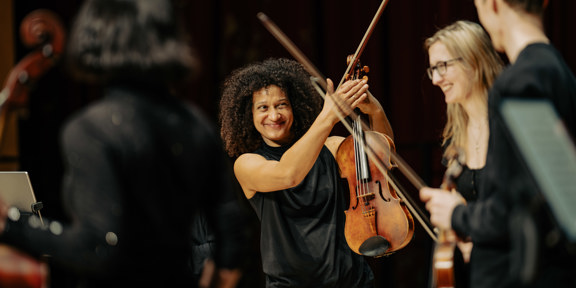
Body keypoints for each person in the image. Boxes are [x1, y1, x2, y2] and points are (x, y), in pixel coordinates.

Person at [0, 0, 246, 287]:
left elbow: (99, 248)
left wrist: (13, 226)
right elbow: (230, 228)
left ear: (95, 37)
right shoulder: (195, 122)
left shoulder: (91, 129)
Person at [420, 1, 576, 288]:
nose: (437, 78)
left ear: (490, 4)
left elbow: (512, 212)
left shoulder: (519, 84)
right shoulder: (558, 71)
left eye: (443, 66)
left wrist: (456, 214)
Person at [218, 57, 393, 287]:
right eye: (263, 107)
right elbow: (288, 173)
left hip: (352, 281)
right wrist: (328, 116)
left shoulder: (331, 148)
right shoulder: (247, 163)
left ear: (295, 107)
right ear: (249, 115)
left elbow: (380, 159)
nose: (274, 116)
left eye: (282, 105)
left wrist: (376, 112)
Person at [423, 20, 504, 288]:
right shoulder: (456, 136)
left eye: (443, 66)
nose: (436, 79)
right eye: (432, 70)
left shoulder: (509, 126)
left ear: (474, 60)